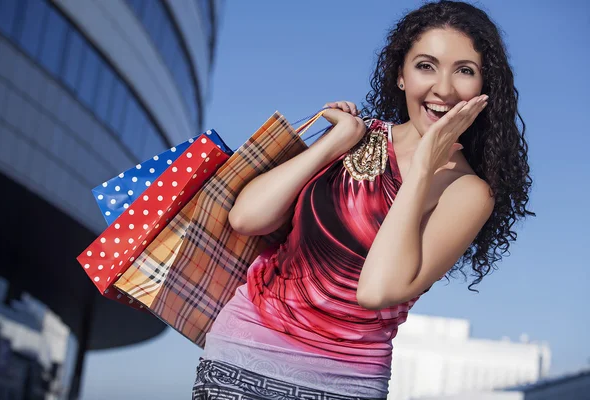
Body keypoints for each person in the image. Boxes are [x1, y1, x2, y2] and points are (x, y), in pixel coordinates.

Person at [192, 1, 533, 399]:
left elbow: (376, 291)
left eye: (465, 71)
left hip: (342, 383)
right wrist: (334, 143)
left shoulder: (469, 193)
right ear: (401, 75)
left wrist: (423, 169)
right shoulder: (358, 137)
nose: (444, 88)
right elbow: (247, 218)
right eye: (426, 66)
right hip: (240, 354)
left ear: (483, 88)